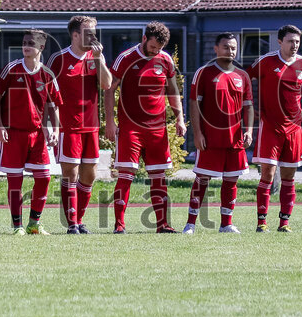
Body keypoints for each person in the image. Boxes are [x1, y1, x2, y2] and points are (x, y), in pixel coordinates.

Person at [105, 21, 186, 234]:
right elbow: (109, 89)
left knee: (158, 177)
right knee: (126, 175)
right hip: (130, 127)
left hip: (157, 130)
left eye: (159, 48)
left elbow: (173, 91)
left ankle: (163, 225)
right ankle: (119, 225)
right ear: (144, 39)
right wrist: (111, 122)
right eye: (152, 47)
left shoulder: (165, 60)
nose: (155, 51)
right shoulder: (126, 58)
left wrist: (179, 118)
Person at [0, 30, 61, 235]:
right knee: (15, 180)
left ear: (41, 48)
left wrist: (55, 130)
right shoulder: (11, 69)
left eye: (31, 43)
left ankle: (34, 223)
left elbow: (53, 104)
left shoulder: (48, 74)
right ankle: (17, 226)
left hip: (37, 134)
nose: (26, 46)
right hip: (13, 134)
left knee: (44, 178)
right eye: (23, 42)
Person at [247, 25, 302, 233]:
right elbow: (244, 80)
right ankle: (261, 222)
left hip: (294, 129)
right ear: (279, 42)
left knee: (289, 176)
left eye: (297, 42)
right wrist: (251, 107)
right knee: (267, 174)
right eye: (290, 41)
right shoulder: (266, 61)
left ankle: (284, 223)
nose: (294, 45)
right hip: (270, 128)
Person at [183, 33, 253, 234]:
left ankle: (226, 224)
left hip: (235, 139)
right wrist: (197, 134)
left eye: (233, 47)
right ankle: (190, 223)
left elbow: (248, 106)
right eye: (225, 47)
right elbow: (194, 104)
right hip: (210, 138)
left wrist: (248, 131)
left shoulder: (243, 76)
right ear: (215, 48)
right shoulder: (204, 72)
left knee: (231, 180)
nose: (230, 51)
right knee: (202, 179)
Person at [47, 16, 112, 234]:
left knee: (90, 175)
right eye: (88, 33)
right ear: (75, 35)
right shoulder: (59, 59)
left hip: (91, 126)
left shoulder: (95, 57)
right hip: (68, 127)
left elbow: (107, 84)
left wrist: (99, 59)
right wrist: (50, 126)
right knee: (70, 174)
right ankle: (72, 223)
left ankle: (79, 219)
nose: (93, 37)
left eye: (94, 32)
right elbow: (46, 95)